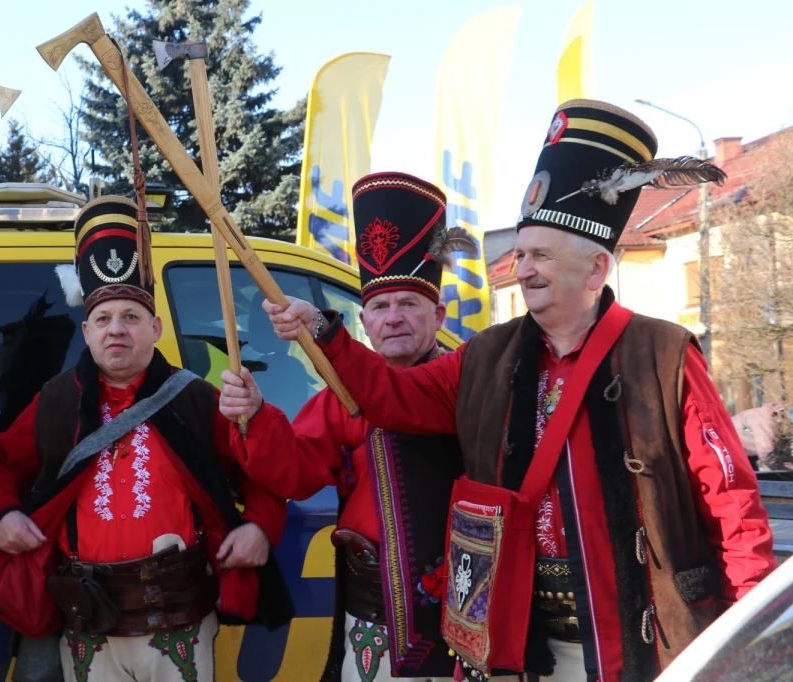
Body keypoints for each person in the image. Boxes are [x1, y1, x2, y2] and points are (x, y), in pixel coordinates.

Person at [258, 100, 777, 682]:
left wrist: (747, 630)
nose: (522, 269)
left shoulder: (665, 354)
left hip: (641, 635)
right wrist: (326, 333)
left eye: (540, 256)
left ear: (595, 268)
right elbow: (389, 400)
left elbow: (731, 500)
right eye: (521, 253)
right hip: (522, 641)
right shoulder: (485, 355)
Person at [0, 195, 294, 682]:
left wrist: (260, 529)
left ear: (155, 328)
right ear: (86, 332)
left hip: (179, 617)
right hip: (86, 620)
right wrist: (2, 516)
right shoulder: (56, 401)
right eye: (103, 320)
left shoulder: (197, 400)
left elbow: (263, 473)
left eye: (130, 317)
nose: (116, 330)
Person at [220, 172, 516, 682]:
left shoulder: (467, 383)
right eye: (379, 306)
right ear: (365, 319)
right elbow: (293, 472)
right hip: (368, 612)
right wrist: (253, 414)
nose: (393, 318)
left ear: (439, 313)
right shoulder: (341, 395)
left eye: (409, 305)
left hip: (456, 611)